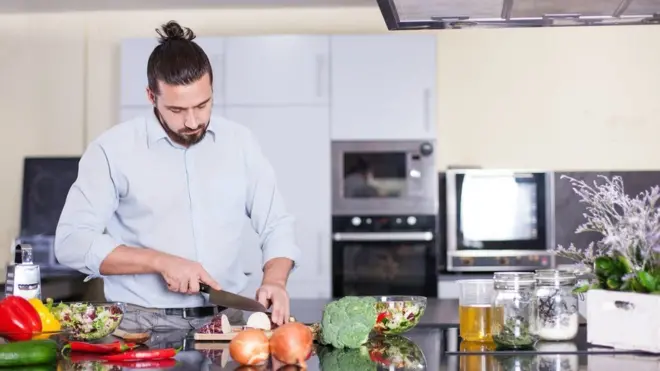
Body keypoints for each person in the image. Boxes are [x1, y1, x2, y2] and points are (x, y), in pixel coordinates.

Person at [54, 20, 301, 331]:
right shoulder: (111, 150)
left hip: (230, 319)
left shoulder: (241, 143)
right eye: (176, 109)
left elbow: (276, 223)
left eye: (203, 104)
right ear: (150, 95)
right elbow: (71, 242)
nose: (193, 121)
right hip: (140, 323)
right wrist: (160, 261)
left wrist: (276, 281)